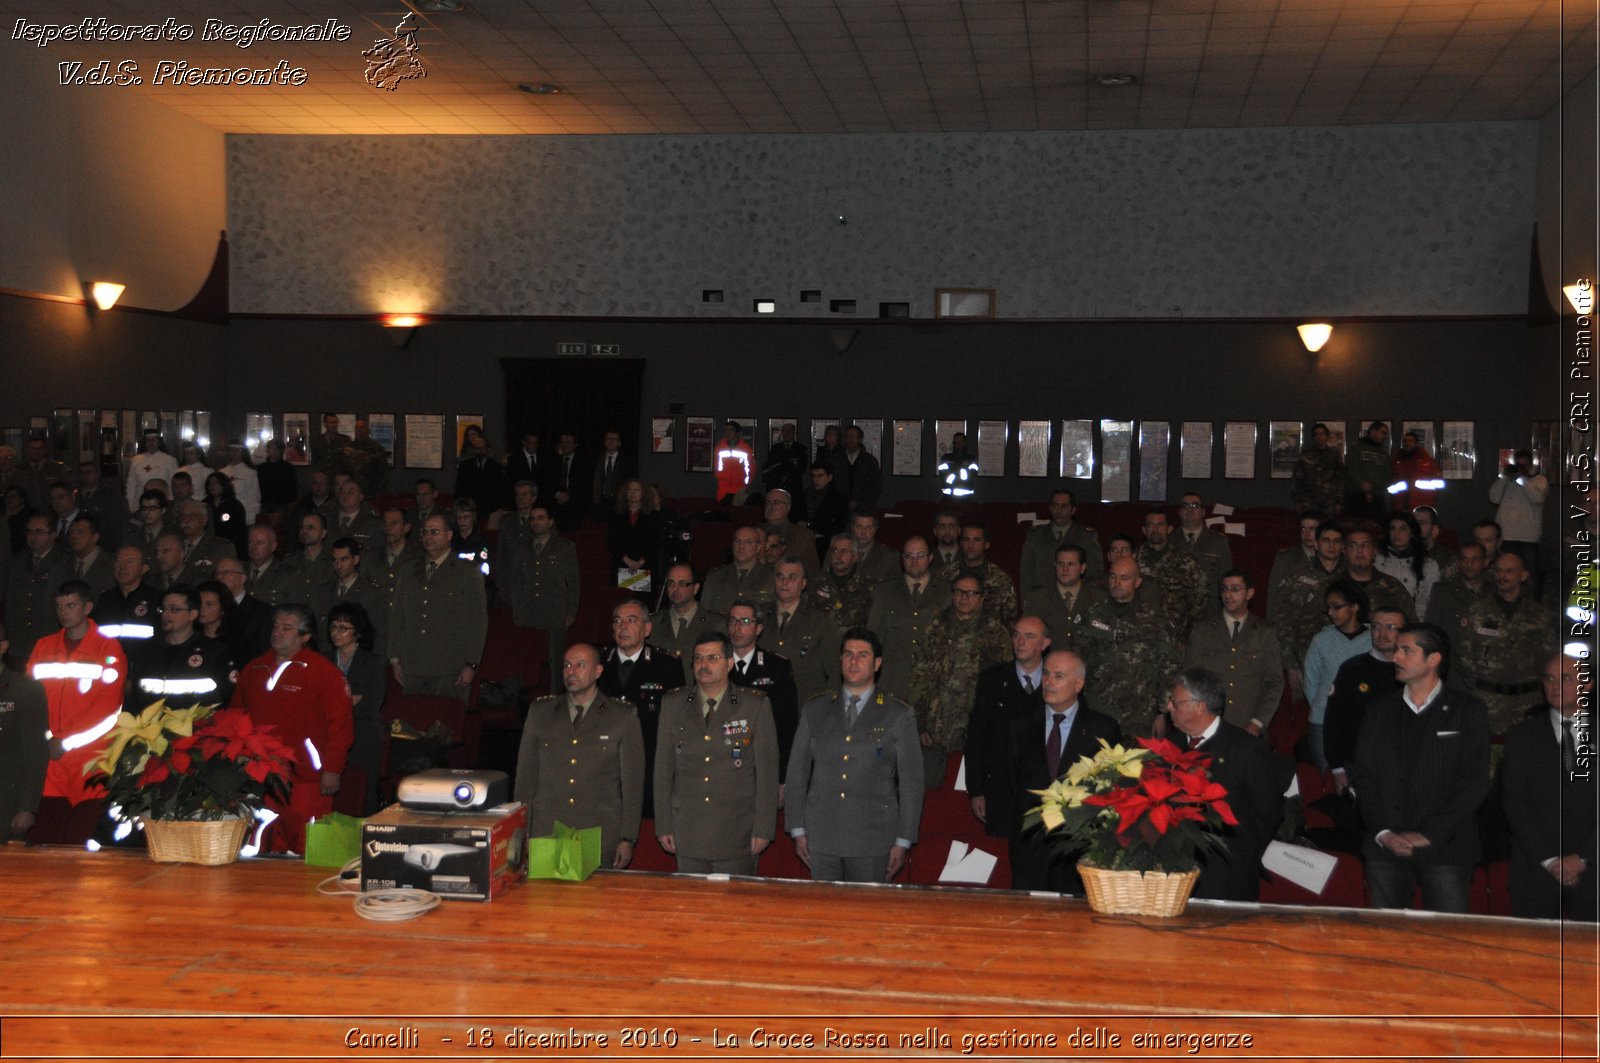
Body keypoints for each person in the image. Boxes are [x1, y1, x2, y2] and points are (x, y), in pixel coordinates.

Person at [1352, 623, 1490, 914]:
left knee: (1447, 942)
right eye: (1397, 650)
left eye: (1406, 650)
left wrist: (1431, 834)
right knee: (1387, 940)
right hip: (1385, 847)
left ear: (1434, 659)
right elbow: (1364, 776)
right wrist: (1384, 832)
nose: (1395, 657)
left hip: (1447, 847)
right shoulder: (1378, 710)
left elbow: (1474, 782)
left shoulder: (1468, 711)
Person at [786, 628, 923, 883]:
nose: (853, 661)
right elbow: (797, 772)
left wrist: (903, 840)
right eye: (848, 654)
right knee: (825, 915)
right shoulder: (815, 708)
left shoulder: (897, 714)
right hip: (822, 834)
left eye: (862, 655)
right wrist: (797, 828)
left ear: (877, 663)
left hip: (873, 837)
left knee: (867, 916)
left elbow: (911, 783)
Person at [653, 631, 779, 876]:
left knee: (734, 908)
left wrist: (763, 829)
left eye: (712, 658)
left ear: (729, 663)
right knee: (690, 907)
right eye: (698, 658)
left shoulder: (754, 704)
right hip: (687, 829)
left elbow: (767, 773)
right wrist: (664, 824)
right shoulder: (674, 704)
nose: (703, 665)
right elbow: (663, 769)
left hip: (736, 830)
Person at [231, 603, 354, 854]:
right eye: (276, 626)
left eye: (287, 628)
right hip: (259, 777)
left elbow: (340, 725)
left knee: (307, 848)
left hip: (306, 777)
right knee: (259, 847)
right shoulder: (254, 670)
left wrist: (333, 768)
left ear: (305, 636)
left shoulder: (323, 672)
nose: (277, 632)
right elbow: (234, 718)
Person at [515, 643, 645, 869]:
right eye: (566, 665)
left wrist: (627, 837)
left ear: (597, 672)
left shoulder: (621, 715)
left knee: (593, 903)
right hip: (547, 830)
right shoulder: (541, 712)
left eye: (580, 665)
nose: (571, 671)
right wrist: (521, 831)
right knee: (543, 901)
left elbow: (632, 785)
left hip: (597, 832)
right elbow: (525, 779)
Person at [1166, 668, 1287, 902]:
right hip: (1175, 874)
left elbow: (1269, 812)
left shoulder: (1246, 749)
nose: (1169, 707)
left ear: (1199, 705)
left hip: (1227, 875)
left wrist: (1240, 852)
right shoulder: (1169, 745)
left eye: (1175, 702)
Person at [27, 581, 125, 844]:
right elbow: (31, 701)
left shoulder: (108, 648)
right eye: (59, 606)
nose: (63, 612)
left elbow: (108, 708)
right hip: (50, 760)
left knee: (79, 841)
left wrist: (65, 742)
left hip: (90, 760)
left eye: (70, 605)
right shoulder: (43, 647)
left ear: (88, 607)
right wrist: (48, 739)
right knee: (45, 840)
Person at [1500, 654, 1596, 921]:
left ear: (1587, 685)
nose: (1555, 686)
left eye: (1565, 678)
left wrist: (1584, 857)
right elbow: (1514, 802)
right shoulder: (1522, 736)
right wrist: (1549, 860)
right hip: (1536, 866)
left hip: (1594, 867)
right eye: (1549, 679)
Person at [909, 572, 1011, 787]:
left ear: (981, 597)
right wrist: (919, 723)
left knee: (965, 796)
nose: (964, 597)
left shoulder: (996, 634)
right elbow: (919, 678)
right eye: (959, 592)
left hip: (975, 728)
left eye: (971, 593)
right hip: (936, 726)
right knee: (931, 793)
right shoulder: (935, 628)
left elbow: (1003, 687)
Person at [597, 599, 684, 820]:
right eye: (618, 621)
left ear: (647, 628)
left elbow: (677, 723)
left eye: (631, 620)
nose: (623, 627)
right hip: (603, 765)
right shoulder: (597, 663)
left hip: (648, 764)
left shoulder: (666, 665)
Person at [388, 514, 489, 700]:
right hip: (413, 664)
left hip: (449, 665)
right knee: (412, 723)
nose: (428, 537)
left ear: (449, 535)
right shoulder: (409, 570)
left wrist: (471, 664)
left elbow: (478, 622)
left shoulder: (467, 571)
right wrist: (395, 658)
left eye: (435, 532)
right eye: (425, 532)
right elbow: (398, 616)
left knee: (446, 724)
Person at [1455, 552, 1556, 734]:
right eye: (1499, 571)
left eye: (1509, 571)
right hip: (1489, 701)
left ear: (1523, 575)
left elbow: (1550, 656)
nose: (1502, 576)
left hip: (1529, 701)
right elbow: (1464, 656)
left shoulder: (1540, 616)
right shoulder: (1477, 612)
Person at [1076, 557, 1172, 736]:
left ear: (1137, 582)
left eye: (1124, 578)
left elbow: (1167, 668)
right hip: (1099, 711)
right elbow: (1078, 662)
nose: (1116, 583)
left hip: (1141, 716)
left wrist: (1162, 714)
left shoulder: (1155, 620)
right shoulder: (1092, 616)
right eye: (1113, 577)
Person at [1181, 570, 1284, 735]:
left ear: (1249, 593)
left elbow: (1273, 682)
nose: (1228, 595)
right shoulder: (1203, 628)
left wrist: (1258, 722)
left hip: (1248, 724)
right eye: (1224, 589)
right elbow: (1189, 678)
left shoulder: (1264, 632)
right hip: (1207, 723)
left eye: (1235, 589)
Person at [1323, 606, 1406, 796]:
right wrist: (1337, 768)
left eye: (1391, 627)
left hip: (1402, 766)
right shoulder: (1352, 669)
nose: (1382, 633)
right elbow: (1334, 722)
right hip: (1358, 765)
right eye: (1376, 626)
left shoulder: (1413, 671)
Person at [502, 503, 579, 694]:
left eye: (541, 518)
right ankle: (522, 702)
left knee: (556, 660)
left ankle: (555, 700)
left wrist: (571, 611)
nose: (536, 522)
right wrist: (516, 608)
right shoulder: (521, 548)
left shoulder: (564, 547)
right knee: (524, 659)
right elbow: (516, 581)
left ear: (550, 522)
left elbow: (574, 582)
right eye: (533, 518)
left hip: (554, 611)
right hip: (527, 611)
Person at [865, 535, 951, 702]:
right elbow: (873, 637)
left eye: (920, 555)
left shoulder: (946, 591)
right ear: (902, 558)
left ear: (930, 558)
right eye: (909, 556)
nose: (914, 561)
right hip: (893, 680)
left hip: (933, 683)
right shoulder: (885, 591)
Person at [124, 585, 235, 712]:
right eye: (163, 609)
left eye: (174, 609)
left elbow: (228, 698)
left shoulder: (214, 652)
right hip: (149, 728)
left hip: (196, 728)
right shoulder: (146, 650)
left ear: (193, 614)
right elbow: (134, 691)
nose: (165, 614)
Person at [1302, 580, 1372, 770]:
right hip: (1323, 723)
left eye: (1336, 607)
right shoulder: (1321, 640)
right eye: (1328, 608)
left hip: (1363, 726)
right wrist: (1325, 709)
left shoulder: (1373, 640)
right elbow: (1310, 682)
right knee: (1330, 782)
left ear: (1355, 607)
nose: (1331, 613)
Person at [724, 599, 798, 772]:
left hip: (763, 762)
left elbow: (786, 725)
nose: (737, 627)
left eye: (745, 622)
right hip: (723, 763)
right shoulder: (716, 664)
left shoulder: (776, 667)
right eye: (733, 621)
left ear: (758, 628)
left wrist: (782, 775)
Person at [758, 557, 840, 703]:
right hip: (765, 704)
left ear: (803, 584)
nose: (785, 582)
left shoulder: (820, 620)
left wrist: (828, 705)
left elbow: (835, 670)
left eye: (792, 577)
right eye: (780, 576)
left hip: (805, 706)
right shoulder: (760, 616)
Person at [0, 622, 49, 842]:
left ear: (3, 647)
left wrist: (27, 807)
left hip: (6, 801)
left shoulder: (25, 690)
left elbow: (35, 753)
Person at [1136, 508, 1209, 640]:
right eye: (1150, 525)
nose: (1155, 529)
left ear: (1169, 529)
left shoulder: (1186, 562)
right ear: (1144, 530)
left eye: (1160, 525)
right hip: (1139, 637)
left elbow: (1199, 602)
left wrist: (1187, 635)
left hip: (1175, 638)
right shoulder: (1132, 562)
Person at [1022, 543, 1107, 655]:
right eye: (1060, 563)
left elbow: (1105, 636)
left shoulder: (1099, 597)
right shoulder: (1038, 597)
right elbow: (1028, 635)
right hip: (1049, 665)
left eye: (1071, 564)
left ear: (1082, 568)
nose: (1065, 569)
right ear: (1055, 566)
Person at [647, 563, 725, 682]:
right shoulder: (653, 623)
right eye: (671, 583)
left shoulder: (716, 623)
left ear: (696, 588)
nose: (675, 589)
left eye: (682, 583)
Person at [5, 514, 64, 665]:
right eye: (30, 532)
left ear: (53, 535)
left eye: (39, 531)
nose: (33, 536)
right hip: (18, 640)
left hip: (49, 638)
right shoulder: (18, 561)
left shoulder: (63, 562)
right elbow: (10, 600)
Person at [1489, 449, 1549, 596]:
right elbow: (1493, 497)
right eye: (1518, 465)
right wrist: (1504, 476)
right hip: (1506, 537)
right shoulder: (1507, 480)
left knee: (1530, 576)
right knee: (1504, 575)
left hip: (1528, 539)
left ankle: (1533, 607)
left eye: (1524, 465)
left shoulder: (1539, 480)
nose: (1521, 468)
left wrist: (1521, 478)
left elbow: (1538, 497)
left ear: (1530, 465)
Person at [94, 546, 161, 653]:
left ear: (144, 568)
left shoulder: (156, 598)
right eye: (119, 561)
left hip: (144, 661)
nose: (123, 567)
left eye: (130, 561)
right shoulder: (105, 599)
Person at [1375, 511, 1440, 620]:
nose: (1397, 533)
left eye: (1402, 528)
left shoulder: (1429, 566)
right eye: (1393, 528)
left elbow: (1433, 603)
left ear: (1412, 533)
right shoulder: (1377, 561)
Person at [700, 526, 775, 615]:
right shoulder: (716, 577)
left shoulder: (771, 577)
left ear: (758, 547)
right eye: (737, 541)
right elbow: (703, 613)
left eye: (748, 542)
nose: (741, 546)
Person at [805, 534, 873, 631]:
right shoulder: (816, 581)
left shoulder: (867, 585)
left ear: (854, 557)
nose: (838, 556)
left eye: (844, 551)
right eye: (835, 551)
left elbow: (873, 623)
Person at [954, 520, 1018, 624]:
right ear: (960, 543)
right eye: (966, 540)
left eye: (976, 540)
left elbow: (1010, 620)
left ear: (986, 545)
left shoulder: (1001, 579)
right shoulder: (946, 575)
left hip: (989, 637)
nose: (970, 546)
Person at [1424, 539, 1490, 630]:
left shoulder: (1494, 592)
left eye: (1475, 559)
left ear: (1485, 562)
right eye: (1464, 559)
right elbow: (1431, 629)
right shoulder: (1443, 592)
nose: (1469, 564)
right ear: (1459, 562)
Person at [1174, 492, 1234, 591]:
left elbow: (1226, 579)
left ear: (1203, 512)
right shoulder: (1169, 540)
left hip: (1209, 603)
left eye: (1195, 505)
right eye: (1185, 506)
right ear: (1179, 512)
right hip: (1175, 603)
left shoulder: (1218, 541)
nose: (1190, 509)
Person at [607, 478, 661, 584]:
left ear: (643, 493)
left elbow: (655, 542)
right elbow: (612, 541)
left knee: (642, 599)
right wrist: (627, 560)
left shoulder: (653, 515)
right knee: (623, 599)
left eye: (637, 490)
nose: (633, 493)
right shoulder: (617, 515)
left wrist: (640, 562)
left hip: (645, 565)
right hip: (622, 563)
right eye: (630, 490)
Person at [454, 424, 509, 525]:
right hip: (469, 510)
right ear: (473, 450)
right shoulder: (465, 466)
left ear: (487, 448)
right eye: (477, 449)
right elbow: (460, 489)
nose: (480, 452)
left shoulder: (495, 467)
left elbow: (500, 491)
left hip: (490, 510)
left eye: (482, 448)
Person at [761, 488, 818, 577]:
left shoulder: (803, 536)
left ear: (788, 507)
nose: (770, 507)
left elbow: (813, 571)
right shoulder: (755, 532)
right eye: (767, 503)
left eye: (775, 503)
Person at [1343, 421, 1394, 521]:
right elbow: (1352, 469)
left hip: (1377, 497)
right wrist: (1362, 484)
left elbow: (1387, 475)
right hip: (1356, 496)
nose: (1385, 436)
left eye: (1386, 434)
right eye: (1382, 433)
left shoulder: (1384, 454)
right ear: (1373, 431)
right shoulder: (1355, 448)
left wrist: (1373, 486)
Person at [1292, 423, 1344, 516]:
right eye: (1316, 434)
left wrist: (1339, 502)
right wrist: (1298, 502)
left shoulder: (1334, 456)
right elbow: (1297, 480)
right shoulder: (1305, 455)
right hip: (1308, 502)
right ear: (1313, 437)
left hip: (1329, 502)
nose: (1319, 437)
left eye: (1322, 434)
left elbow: (1340, 480)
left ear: (1327, 436)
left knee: (1327, 528)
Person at [802, 462, 849, 558]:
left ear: (830, 477)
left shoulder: (839, 498)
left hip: (826, 542)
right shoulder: (805, 494)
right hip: (804, 538)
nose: (816, 479)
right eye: (813, 476)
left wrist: (812, 528)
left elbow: (839, 525)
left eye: (820, 476)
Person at [124, 430, 176, 511]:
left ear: (159, 442)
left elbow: (172, 484)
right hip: (139, 504)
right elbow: (131, 484)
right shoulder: (136, 460)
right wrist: (130, 505)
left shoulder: (170, 460)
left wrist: (170, 504)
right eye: (148, 440)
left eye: (154, 440)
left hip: (161, 504)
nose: (150, 443)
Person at [548, 432, 590, 532]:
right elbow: (548, 481)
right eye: (563, 442)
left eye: (568, 443)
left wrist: (569, 496)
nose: (565, 445)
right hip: (555, 505)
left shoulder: (584, 462)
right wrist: (557, 494)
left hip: (575, 506)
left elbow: (585, 485)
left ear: (575, 445)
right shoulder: (553, 460)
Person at [762, 423, 809, 513]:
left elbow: (800, 468)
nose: (787, 433)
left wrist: (787, 474)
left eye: (789, 431)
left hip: (794, 487)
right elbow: (771, 467)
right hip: (778, 485)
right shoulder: (776, 448)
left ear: (794, 433)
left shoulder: (800, 448)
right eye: (784, 431)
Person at [1391, 431, 1443, 511]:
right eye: (1404, 441)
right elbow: (1391, 483)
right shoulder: (1396, 461)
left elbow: (1439, 484)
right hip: (1400, 506)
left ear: (1416, 443)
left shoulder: (1429, 462)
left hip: (1422, 506)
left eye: (1410, 441)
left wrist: (1429, 501)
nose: (1407, 443)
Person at [834, 425, 881, 509]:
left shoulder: (870, 461)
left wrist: (859, 502)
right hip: (839, 505)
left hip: (864, 506)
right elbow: (834, 482)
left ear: (860, 439)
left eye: (853, 437)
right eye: (847, 437)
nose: (850, 440)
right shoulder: (836, 459)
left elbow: (875, 486)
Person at [203, 472, 249, 559]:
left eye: (215, 482)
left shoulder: (234, 505)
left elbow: (239, 531)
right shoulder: (204, 504)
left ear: (223, 484)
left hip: (230, 546)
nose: (212, 485)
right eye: (209, 483)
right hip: (208, 546)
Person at [589, 430, 635, 516]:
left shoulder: (627, 461)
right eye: (608, 439)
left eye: (614, 439)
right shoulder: (596, 460)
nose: (610, 441)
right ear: (604, 442)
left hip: (619, 502)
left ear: (619, 443)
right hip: (600, 501)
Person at [342, 419, 389, 501]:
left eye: (362, 427)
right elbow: (342, 468)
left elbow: (383, 472)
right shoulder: (348, 447)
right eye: (357, 428)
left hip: (370, 491)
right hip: (350, 491)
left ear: (368, 431)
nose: (359, 430)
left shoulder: (376, 448)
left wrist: (379, 491)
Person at [219, 441, 263, 525]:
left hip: (242, 511)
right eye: (231, 450)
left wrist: (251, 518)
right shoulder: (222, 472)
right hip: (224, 511)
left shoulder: (250, 473)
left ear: (243, 452)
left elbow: (254, 496)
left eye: (237, 450)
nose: (234, 453)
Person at [714, 421, 757, 505]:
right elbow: (716, 466)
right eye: (726, 430)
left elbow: (751, 469)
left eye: (731, 430)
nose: (728, 433)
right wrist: (720, 478)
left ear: (737, 433)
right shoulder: (720, 447)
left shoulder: (745, 449)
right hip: (723, 490)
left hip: (739, 491)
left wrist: (745, 484)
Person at [255, 439, 298, 518]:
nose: (273, 451)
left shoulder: (288, 468)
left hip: (281, 504)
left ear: (282, 451)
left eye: (276, 449)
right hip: (264, 503)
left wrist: (290, 503)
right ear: (267, 450)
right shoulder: (261, 468)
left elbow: (293, 487)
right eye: (271, 448)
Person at [937, 432, 980, 499]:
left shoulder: (971, 459)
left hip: (966, 498)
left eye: (960, 442)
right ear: (953, 443)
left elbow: (971, 474)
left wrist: (953, 468)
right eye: (956, 442)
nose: (958, 445)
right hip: (948, 497)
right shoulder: (946, 458)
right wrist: (962, 467)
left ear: (965, 443)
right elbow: (943, 474)